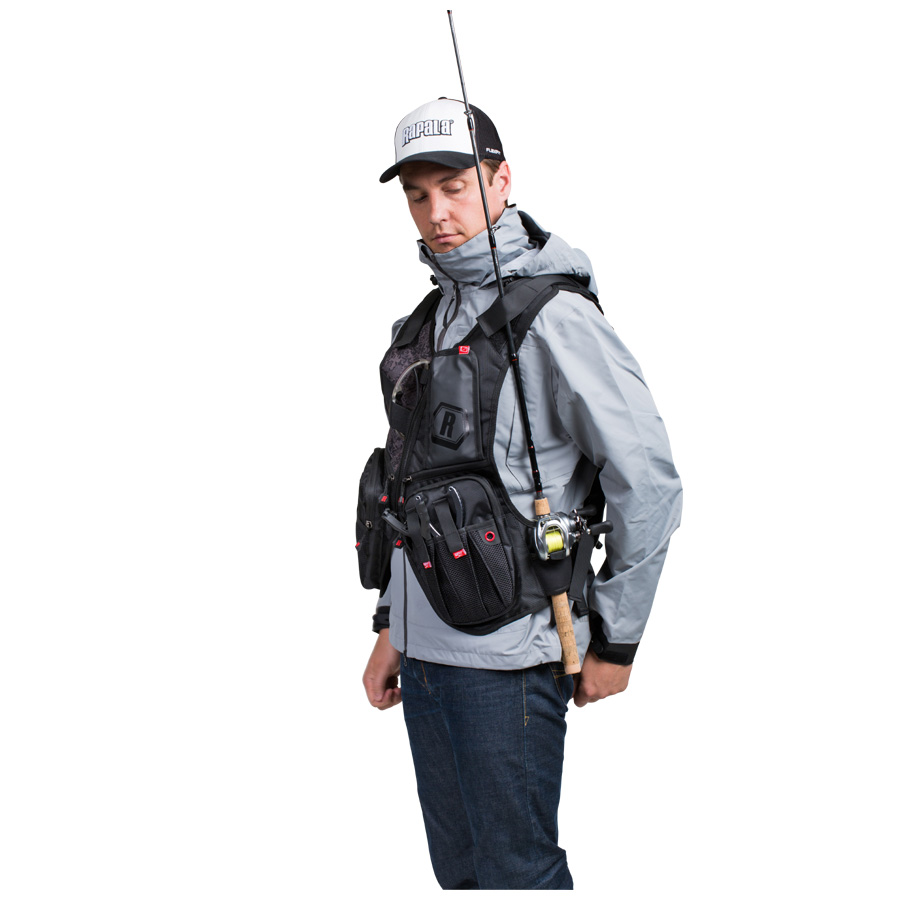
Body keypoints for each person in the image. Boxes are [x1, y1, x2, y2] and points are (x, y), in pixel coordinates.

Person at [360, 97, 682, 890]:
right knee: (462, 874)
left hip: (509, 660)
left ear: (502, 180)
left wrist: (617, 642)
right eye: (418, 195)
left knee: (516, 875)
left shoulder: (556, 316)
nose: (437, 214)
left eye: (455, 187)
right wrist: (394, 626)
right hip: (427, 653)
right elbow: (411, 487)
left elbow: (648, 481)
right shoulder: (428, 320)